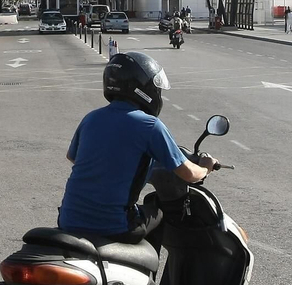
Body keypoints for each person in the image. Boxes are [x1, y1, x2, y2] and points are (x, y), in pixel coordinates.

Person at [57, 51, 217, 245]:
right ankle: (148, 272)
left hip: (68, 221)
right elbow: (189, 174)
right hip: (114, 227)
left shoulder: (91, 118)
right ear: (144, 88)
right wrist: (207, 167)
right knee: (157, 211)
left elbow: (73, 156)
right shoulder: (149, 125)